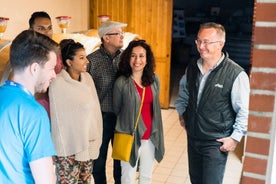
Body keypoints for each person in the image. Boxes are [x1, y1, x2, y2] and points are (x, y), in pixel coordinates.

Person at [174, 22, 250, 184]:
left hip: (216, 143)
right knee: (196, 181)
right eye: (199, 41)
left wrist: (235, 138)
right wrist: (182, 113)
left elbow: (244, 110)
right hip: (193, 138)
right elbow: (184, 93)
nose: (201, 46)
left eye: (207, 42)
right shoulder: (193, 67)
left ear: (220, 44)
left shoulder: (235, 74)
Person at [0, 30, 58, 183]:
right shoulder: (33, 112)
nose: (54, 75)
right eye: (51, 68)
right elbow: (45, 180)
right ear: (34, 68)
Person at [48, 39, 102, 183]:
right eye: (81, 58)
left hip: (88, 142)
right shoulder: (57, 83)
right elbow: (59, 118)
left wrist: (96, 136)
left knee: (85, 181)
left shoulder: (88, 79)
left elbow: (95, 110)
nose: (87, 61)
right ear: (69, 62)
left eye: (85, 57)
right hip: (68, 147)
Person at [113, 40, 165, 184]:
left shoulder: (155, 80)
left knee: (146, 176)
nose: (137, 60)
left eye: (141, 56)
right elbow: (117, 109)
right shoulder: (121, 83)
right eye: (133, 56)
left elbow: (154, 107)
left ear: (147, 59)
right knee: (128, 177)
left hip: (150, 137)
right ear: (127, 58)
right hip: (129, 136)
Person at [0, 11, 63, 117]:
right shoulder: (24, 53)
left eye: (49, 28)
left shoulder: (56, 52)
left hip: (55, 105)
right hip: (32, 104)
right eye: (41, 28)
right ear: (31, 30)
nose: (47, 32)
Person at [87, 20, 127, 184]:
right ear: (106, 38)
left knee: (120, 161)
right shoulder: (91, 61)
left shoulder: (126, 58)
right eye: (117, 33)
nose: (122, 36)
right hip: (100, 118)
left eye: (122, 33)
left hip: (122, 117)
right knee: (99, 160)